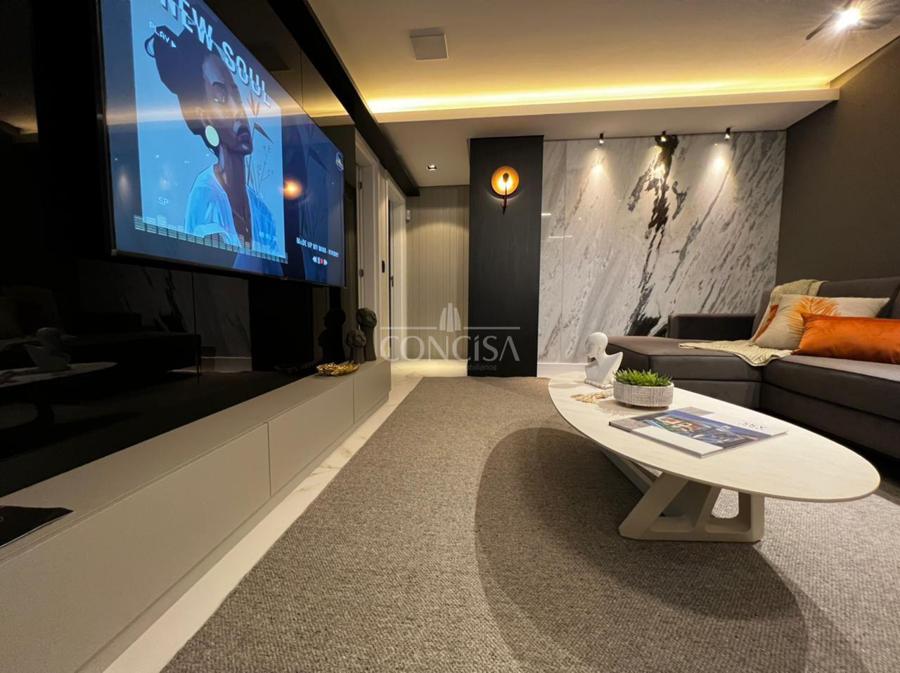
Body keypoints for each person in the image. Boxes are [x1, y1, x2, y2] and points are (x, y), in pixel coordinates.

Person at [145, 26, 280, 271]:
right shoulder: (205, 197)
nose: (237, 110)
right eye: (220, 98)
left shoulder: (263, 212)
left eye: (237, 96)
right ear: (203, 116)